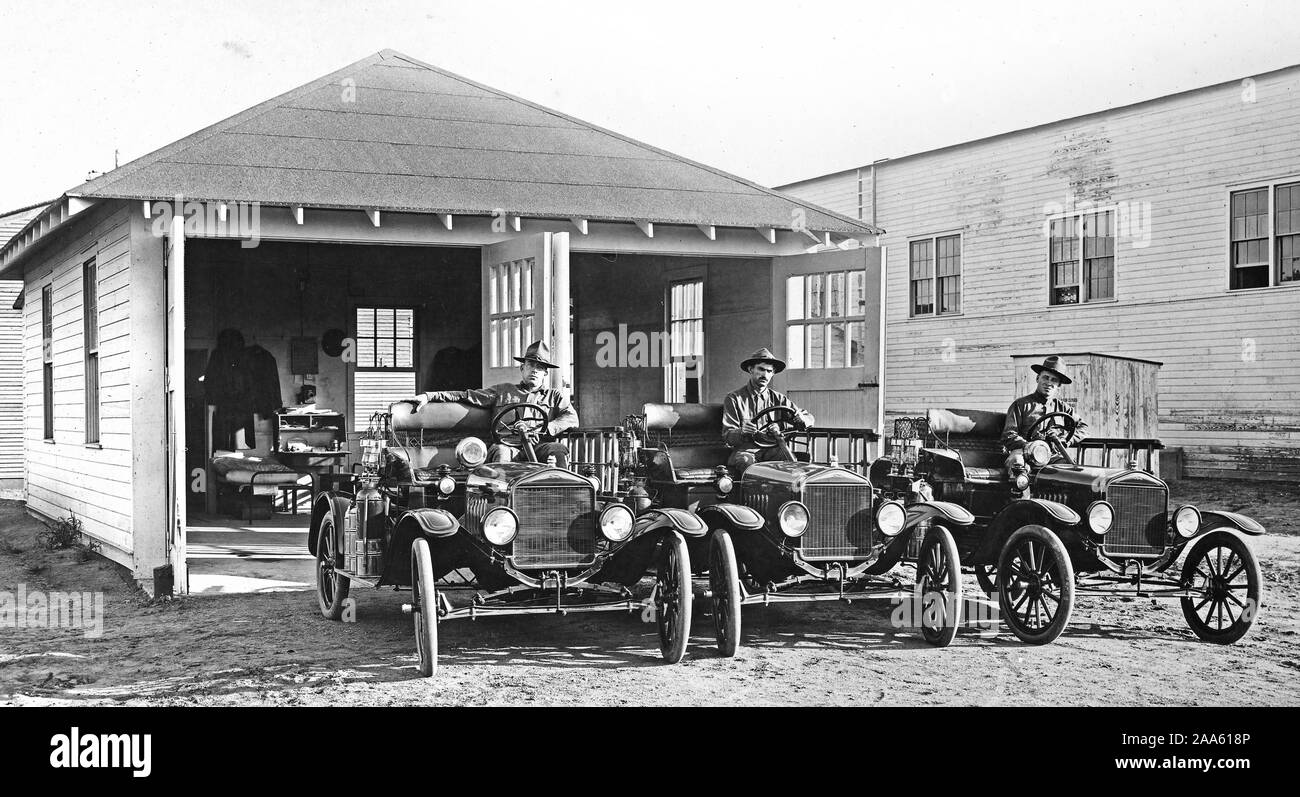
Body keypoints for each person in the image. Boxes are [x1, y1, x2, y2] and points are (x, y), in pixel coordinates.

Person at [406, 340, 578, 467]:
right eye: (530, 365)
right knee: (501, 452)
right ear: (522, 368)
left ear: (545, 373)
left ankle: (564, 497)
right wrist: (429, 396)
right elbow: (465, 395)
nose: (534, 370)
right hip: (508, 446)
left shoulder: (554, 396)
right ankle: (500, 509)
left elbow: (571, 418)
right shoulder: (502, 391)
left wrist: (547, 429)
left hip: (539, 446)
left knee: (558, 449)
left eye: (539, 367)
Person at [722, 347, 815, 475]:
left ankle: (790, 494)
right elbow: (728, 436)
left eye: (769, 371)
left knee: (792, 465)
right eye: (761, 369)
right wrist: (742, 431)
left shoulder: (779, 399)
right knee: (745, 461)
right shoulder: (734, 399)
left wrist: (803, 419)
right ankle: (755, 494)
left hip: (772, 449)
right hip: (747, 450)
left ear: (772, 374)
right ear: (751, 369)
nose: (765, 375)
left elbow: (806, 416)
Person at [1001, 355, 1089, 472]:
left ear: (1058, 386)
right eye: (1045, 378)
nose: (1049, 383)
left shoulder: (1063, 408)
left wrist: (1065, 440)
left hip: (1052, 456)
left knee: (1070, 470)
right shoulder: (1021, 405)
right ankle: (1019, 489)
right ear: (1038, 378)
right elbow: (1009, 434)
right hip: (1024, 453)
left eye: (1054, 380)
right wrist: (1029, 446)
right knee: (1017, 462)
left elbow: (1083, 428)